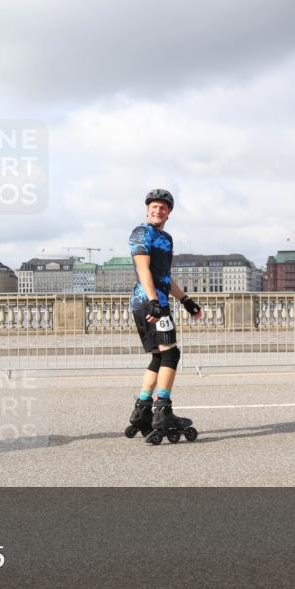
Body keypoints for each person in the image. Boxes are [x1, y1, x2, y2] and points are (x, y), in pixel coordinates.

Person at [125, 189, 203, 444]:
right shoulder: (141, 233)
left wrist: (186, 301)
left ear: (169, 213)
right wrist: (154, 302)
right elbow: (143, 269)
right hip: (149, 304)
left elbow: (164, 277)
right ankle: (163, 411)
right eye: (154, 207)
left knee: (159, 356)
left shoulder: (166, 238)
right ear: (147, 209)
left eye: (163, 207)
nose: (158, 210)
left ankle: (142, 408)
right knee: (171, 354)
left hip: (155, 302)